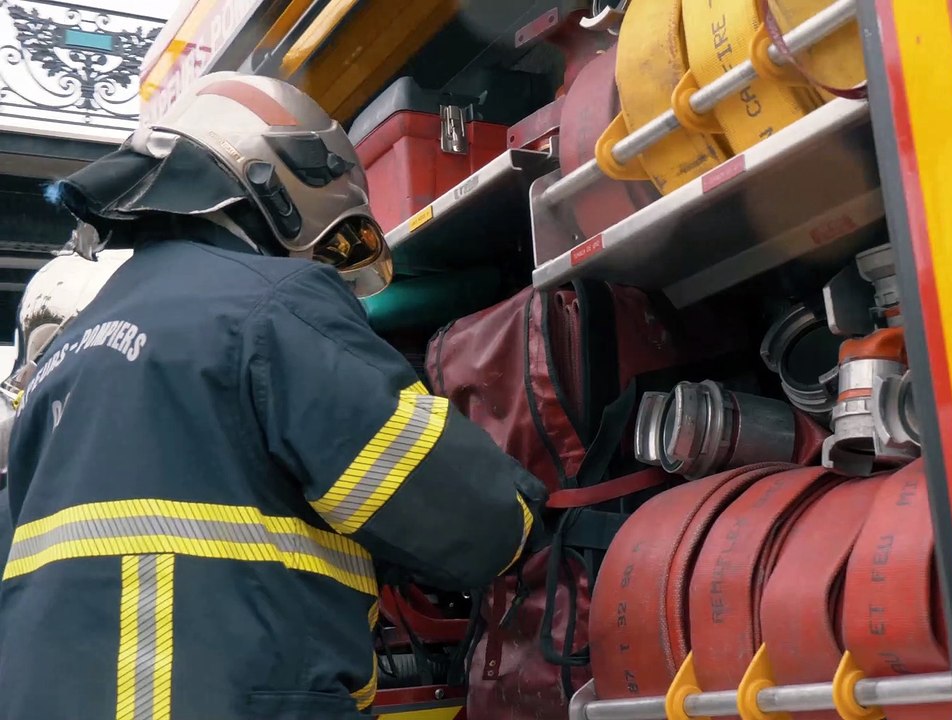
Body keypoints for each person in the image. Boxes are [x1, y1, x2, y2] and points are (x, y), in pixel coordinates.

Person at [0, 72, 547, 719]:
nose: (328, 267)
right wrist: (528, 518)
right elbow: (467, 519)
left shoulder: (70, 352)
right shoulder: (273, 305)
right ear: (280, 185)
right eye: (334, 244)